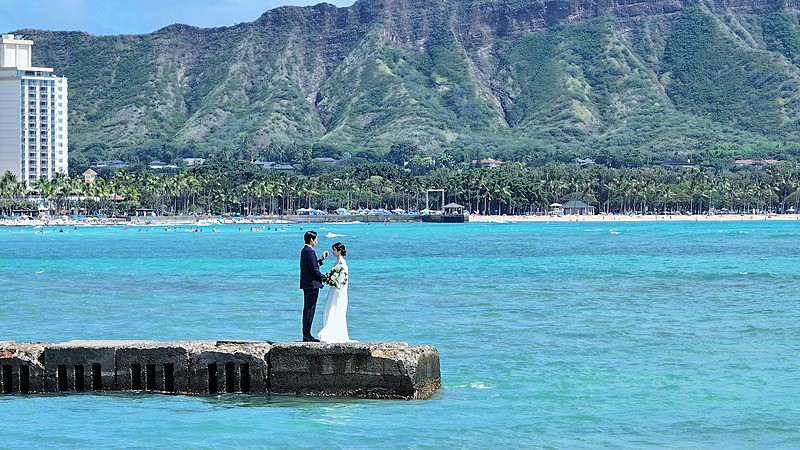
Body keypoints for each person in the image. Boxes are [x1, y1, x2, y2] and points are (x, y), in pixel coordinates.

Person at [318, 242, 354, 343]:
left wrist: (333, 281)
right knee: (329, 308)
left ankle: (335, 333)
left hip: (338, 290)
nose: (333, 252)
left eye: (334, 250)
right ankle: (330, 330)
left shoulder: (342, 262)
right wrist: (330, 279)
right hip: (333, 289)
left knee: (335, 308)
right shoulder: (337, 261)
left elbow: (343, 279)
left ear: (339, 251)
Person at [299, 230, 328, 342]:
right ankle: (307, 335)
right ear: (311, 239)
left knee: (307, 309)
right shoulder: (310, 252)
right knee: (310, 310)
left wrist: (321, 260)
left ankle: (306, 333)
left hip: (306, 284)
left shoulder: (304, 251)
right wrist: (324, 278)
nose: (316, 241)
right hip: (312, 285)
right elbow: (314, 269)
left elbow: (312, 265)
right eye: (315, 239)